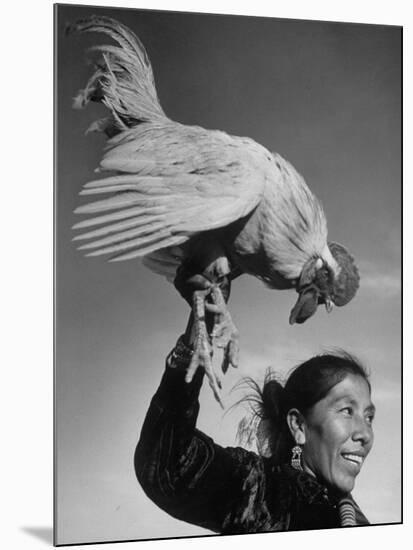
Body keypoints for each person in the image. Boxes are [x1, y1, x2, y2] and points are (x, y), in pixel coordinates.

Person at [134, 271, 375, 533]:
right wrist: (198, 336)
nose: (365, 433)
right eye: (347, 410)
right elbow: (169, 468)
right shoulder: (262, 491)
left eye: (369, 416)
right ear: (298, 426)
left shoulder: (355, 521)